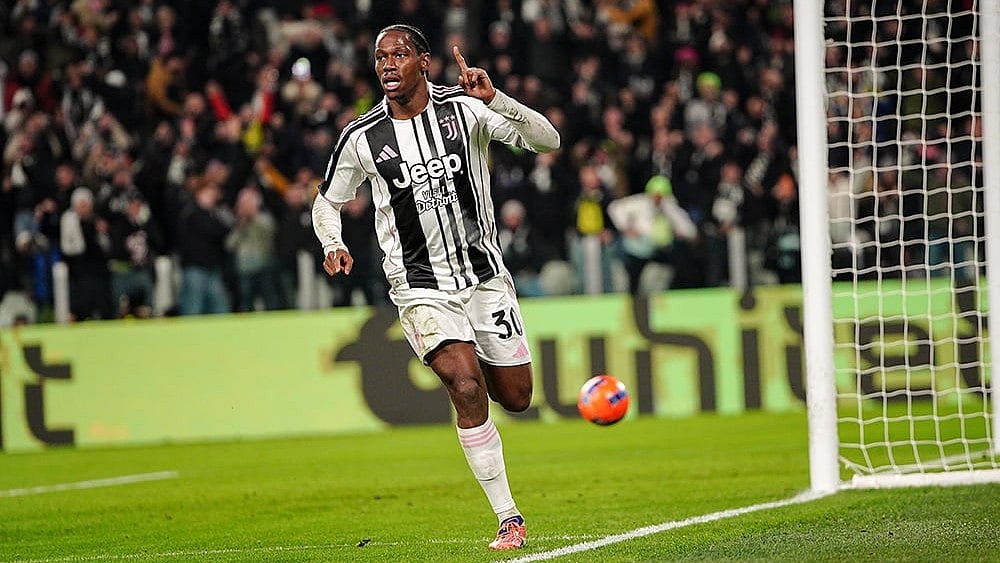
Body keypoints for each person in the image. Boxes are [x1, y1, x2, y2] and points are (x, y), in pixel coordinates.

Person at [311, 24, 560, 551]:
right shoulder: (362, 137)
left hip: (484, 278)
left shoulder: (467, 111)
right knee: (465, 387)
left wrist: (499, 99)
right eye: (380, 57)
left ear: (424, 62)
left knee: (515, 397)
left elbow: (548, 140)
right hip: (420, 287)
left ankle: (494, 404)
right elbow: (326, 201)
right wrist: (332, 241)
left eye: (399, 54)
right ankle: (508, 517)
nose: (387, 64)